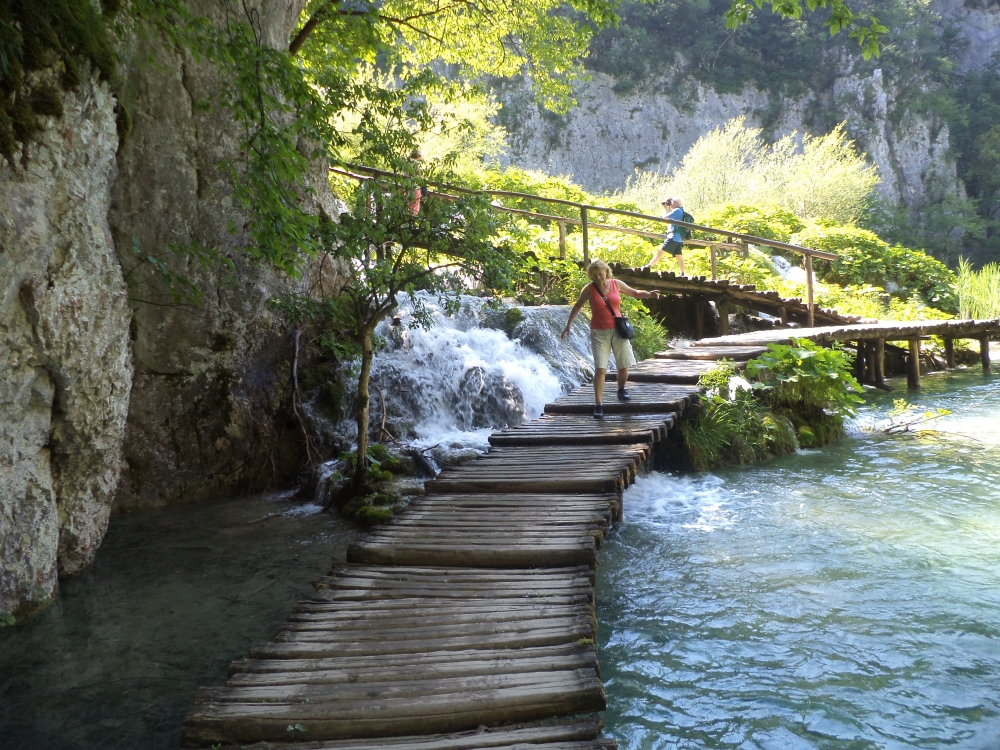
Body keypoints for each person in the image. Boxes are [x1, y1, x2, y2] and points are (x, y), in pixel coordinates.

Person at [561, 259, 660, 418]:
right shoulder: (589, 289)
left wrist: (649, 294)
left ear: (606, 272)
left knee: (623, 364)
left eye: (600, 274)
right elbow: (578, 306)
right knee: (601, 369)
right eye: (594, 276)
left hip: (618, 330)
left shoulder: (616, 284)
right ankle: (598, 405)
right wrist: (568, 326)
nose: (598, 278)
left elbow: (634, 293)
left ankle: (621, 390)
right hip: (599, 333)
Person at [647, 197, 686, 268]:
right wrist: (667, 208)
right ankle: (682, 273)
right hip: (679, 238)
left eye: (672, 202)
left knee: (661, 252)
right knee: (679, 256)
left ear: (677, 203)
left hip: (673, 237)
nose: (671, 203)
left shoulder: (677, 210)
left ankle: (648, 266)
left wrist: (666, 208)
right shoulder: (681, 211)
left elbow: (665, 217)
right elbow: (670, 218)